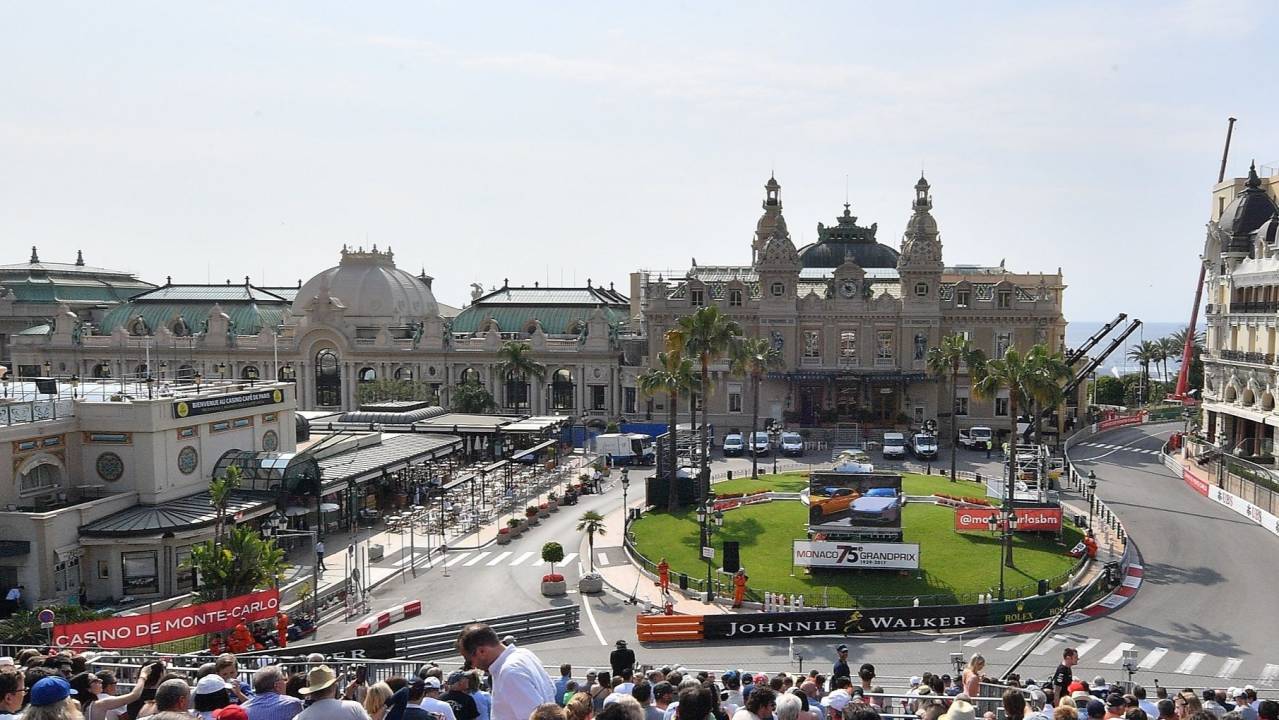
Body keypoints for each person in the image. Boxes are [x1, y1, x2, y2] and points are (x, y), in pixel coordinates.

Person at [456, 623, 555, 720]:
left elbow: (534, 717)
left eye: (469, 661)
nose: (473, 666)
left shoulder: (510, 672)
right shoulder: (524, 653)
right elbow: (552, 689)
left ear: (482, 651)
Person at [296, 666, 370, 720]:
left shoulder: (301, 717)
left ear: (310, 691)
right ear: (334, 686)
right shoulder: (354, 707)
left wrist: (347, 696)